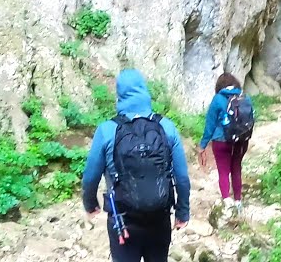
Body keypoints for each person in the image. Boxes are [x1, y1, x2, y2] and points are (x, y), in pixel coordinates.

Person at [82, 69, 191, 262]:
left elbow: (90, 177)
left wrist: (91, 204)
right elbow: (181, 177)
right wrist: (182, 211)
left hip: (123, 222)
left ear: (119, 94)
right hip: (159, 218)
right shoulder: (167, 126)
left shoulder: (107, 130)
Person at [197, 73, 254, 217]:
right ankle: (238, 202)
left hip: (221, 141)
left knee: (223, 171)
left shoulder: (217, 99)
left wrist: (203, 145)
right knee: (236, 169)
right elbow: (251, 119)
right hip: (241, 141)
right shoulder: (244, 97)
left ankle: (227, 203)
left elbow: (210, 125)